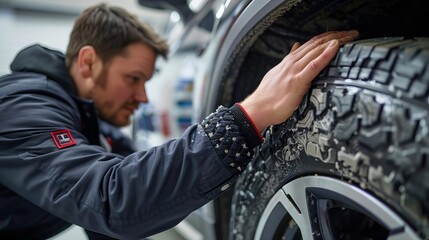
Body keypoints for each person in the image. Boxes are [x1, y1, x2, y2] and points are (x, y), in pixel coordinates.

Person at [0, 3, 359, 240]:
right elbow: (111, 199)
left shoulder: (84, 120)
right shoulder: (24, 106)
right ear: (89, 63)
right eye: (134, 78)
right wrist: (252, 114)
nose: (143, 98)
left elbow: (133, 175)